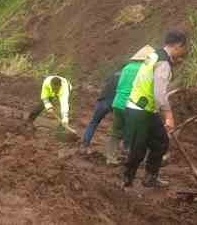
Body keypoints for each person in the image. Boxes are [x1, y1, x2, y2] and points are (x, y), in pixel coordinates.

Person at [123, 30, 188, 188]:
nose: (184, 52)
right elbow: (159, 94)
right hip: (139, 109)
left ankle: (150, 177)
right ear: (178, 45)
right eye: (184, 48)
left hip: (147, 109)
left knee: (161, 142)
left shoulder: (154, 55)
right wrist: (169, 116)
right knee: (138, 149)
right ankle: (127, 180)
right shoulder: (163, 63)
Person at [104, 45, 156, 165]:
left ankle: (110, 158)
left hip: (118, 102)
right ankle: (136, 159)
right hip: (132, 105)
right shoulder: (145, 69)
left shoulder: (127, 67)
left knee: (116, 132)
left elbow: (120, 85)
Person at [80, 70, 120, 154]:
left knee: (93, 122)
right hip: (116, 102)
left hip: (103, 100)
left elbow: (105, 84)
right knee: (116, 128)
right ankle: (111, 152)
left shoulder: (113, 74)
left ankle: (84, 145)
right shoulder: (128, 76)